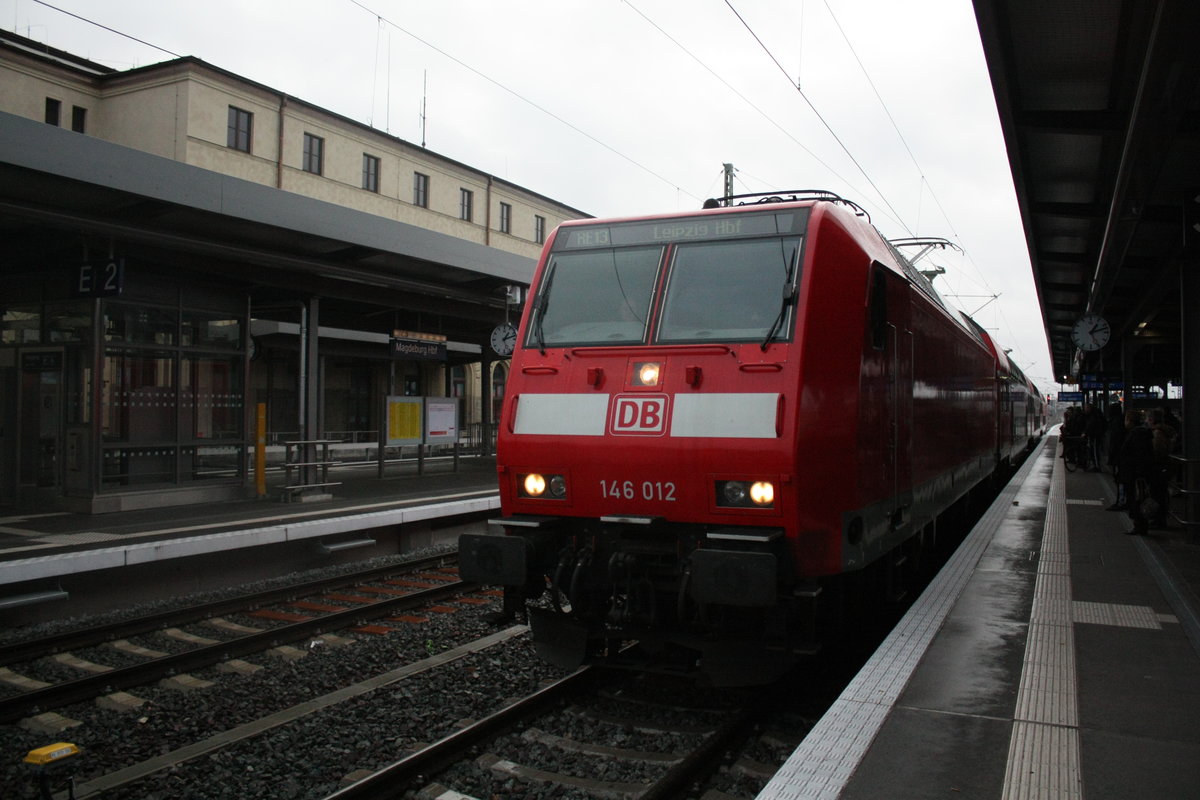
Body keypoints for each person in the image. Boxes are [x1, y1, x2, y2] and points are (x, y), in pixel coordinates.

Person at [1117, 409, 1154, 535]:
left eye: (1126, 420)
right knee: (1138, 499)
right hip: (1135, 472)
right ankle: (1140, 524)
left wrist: (1138, 473)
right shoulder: (1140, 433)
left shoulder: (1137, 434)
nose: (1125, 422)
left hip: (1134, 474)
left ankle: (1140, 525)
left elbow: (1137, 455)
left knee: (1137, 499)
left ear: (1130, 421)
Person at [1105, 402, 1127, 510]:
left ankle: (1121, 502)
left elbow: (1115, 443)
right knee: (1121, 480)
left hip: (1119, 458)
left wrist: (1111, 458)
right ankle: (1122, 501)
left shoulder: (1116, 424)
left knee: (1120, 480)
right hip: (1120, 457)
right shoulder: (1121, 422)